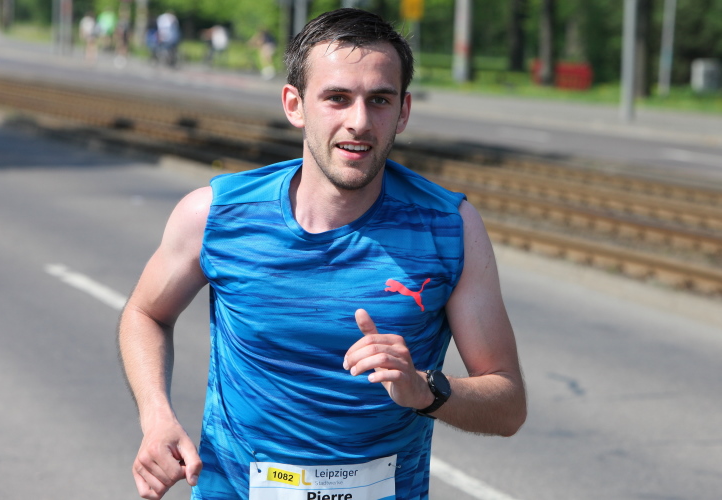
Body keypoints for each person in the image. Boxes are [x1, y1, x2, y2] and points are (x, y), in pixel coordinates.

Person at [118, 8, 526, 500]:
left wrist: (425, 390)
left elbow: (508, 404)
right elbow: (146, 313)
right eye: (337, 98)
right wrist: (156, 416)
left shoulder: (450, 228)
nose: (359, 122)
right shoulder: (215, 215)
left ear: (403, 111)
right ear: (295, 105)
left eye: (379, 100)